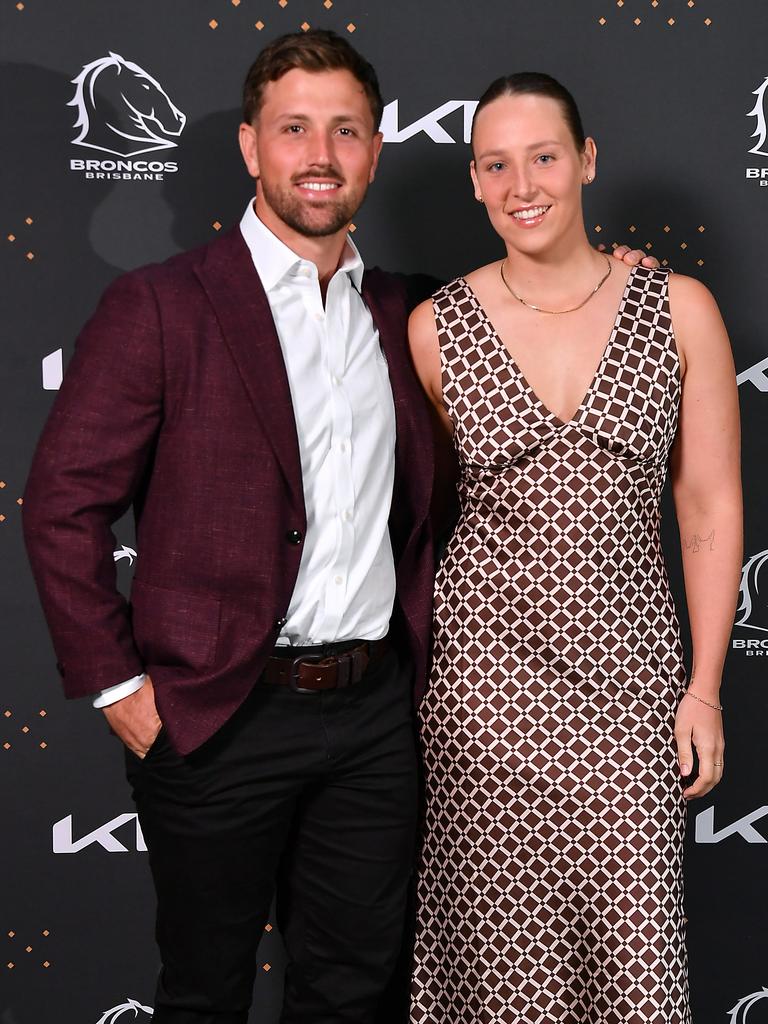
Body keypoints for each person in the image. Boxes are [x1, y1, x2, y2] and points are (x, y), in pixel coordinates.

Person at [22, 30, 655, 1023]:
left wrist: (619, 279)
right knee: (205, 989)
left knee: (356, 993)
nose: (320, 155)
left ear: (377, 149)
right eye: (294, 129)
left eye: (346, 130)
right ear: (249, 148)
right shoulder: (159, 305)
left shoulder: (415, 316)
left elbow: (543, 311)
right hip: (215, 716)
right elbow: (62, 504)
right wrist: (120, 688)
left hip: (375, 722)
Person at [407, 73, 742, 1024]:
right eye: (497, 163)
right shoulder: (434, 330)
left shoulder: (680, 310)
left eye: (544, 156)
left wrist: (703, 686)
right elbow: (417, 513)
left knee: (632, 966)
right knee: (500, 973)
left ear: (587, 161)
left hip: (631, 694)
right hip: (479, 702)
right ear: (473, 181)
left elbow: (709, 506)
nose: (524, 184)